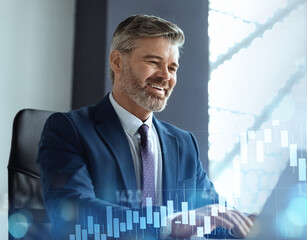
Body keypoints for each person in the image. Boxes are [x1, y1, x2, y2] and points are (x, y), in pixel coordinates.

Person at [37, 14, 254, 239]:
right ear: (117, 62)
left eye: (172, 67)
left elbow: (216, 218)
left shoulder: (183, 144)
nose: (165, 76)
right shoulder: (70, 130)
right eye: (153, 62)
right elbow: (73, 213)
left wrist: (254, 227)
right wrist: (169, 223)